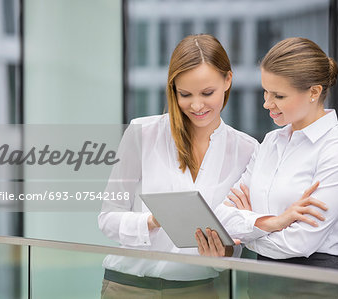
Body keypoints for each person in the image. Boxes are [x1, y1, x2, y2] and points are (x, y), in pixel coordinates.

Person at [196, 37, 338, 298]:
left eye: (279, 95)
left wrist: (250, 226)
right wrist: (276, 221)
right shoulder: (271, 142)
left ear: (314, 92)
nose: (267, 103)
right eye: (265, 91)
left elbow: (301, 242)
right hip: (261, 282)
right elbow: (221, 216)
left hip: (312, 287)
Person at [97, 34, 259, 298]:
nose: (196, 105)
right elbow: (107, 218)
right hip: (129, 287)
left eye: (208, 93)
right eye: (185, 94)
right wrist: (151, 221)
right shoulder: (142, 133)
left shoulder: (247, 150)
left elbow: (241, 233)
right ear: (173, 90)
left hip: (198, 289)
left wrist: (225, 250)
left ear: (228, 80)